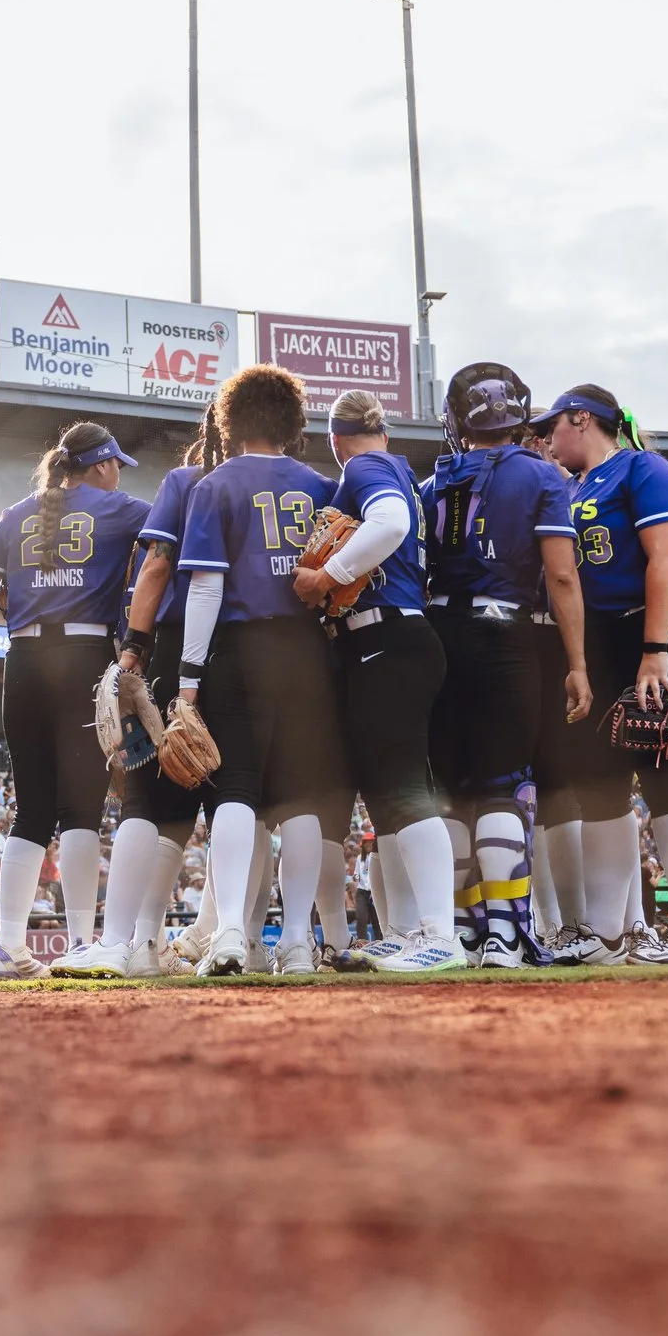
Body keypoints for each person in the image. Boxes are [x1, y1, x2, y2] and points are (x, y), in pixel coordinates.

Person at [531, 382, 668, 965]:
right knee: (599, 790)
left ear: (582, 419)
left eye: (553, 425)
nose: (547, 437)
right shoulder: (572, 485)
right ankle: (607, 934)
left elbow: (664, 557)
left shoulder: (644, 468)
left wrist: (656, 649)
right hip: (602, 640)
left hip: (652, 631)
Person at [175, 365, 352, 977]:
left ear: (232, 420)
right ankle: (298, 942)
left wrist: (188, 680)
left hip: (241, 649)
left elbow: (205, 587)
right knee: (299, 798)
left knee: (236, 793)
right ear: (291, 422)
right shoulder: (322, 485)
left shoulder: (215, 486)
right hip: (307, 651)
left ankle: (228, 934)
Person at [0, 421, 149, 979]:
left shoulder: (15, 513)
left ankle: (7, 950)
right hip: (86, 660)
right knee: (81, 810)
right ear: (100, 465)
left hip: (22, 661)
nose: (117, 475)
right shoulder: (122, 510)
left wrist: (18, 621)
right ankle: (81, 944)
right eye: (114, 464)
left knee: (33, 809)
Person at [420, 363, 590, 966]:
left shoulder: (431, 482)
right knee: (504, 787)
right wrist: (577, 662)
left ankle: (467, 933)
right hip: (504, 634)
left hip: (439, 633)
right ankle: (507, 932)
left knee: (456, 793)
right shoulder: (542, 477)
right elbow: (562, 575)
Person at [291, 390, 465, 973]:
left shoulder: (365, 467)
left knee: (403, 789)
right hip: (391, 638)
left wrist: (327, 575)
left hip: (387, 636)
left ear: (336, 441)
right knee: (391, 795)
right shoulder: (394, 464)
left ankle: (440, 933)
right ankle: (414, 931)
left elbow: (388, 522)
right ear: (383, 430)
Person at [54, 408, 227, 979]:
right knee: (239, 804)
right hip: (256, 652)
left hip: (178, 644)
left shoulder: (185, 480)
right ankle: (236, 939)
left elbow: (156, 566)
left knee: (149, 802)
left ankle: (124, 942)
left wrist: (133, 647)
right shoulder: (301, 483)